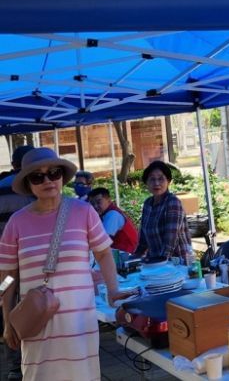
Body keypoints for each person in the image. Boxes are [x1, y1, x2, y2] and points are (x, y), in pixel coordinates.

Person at [0, 148, 131, 380]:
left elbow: (103, 254)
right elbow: (7, 276)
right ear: (28, 183)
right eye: (37, 176)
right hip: (37, 325)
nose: (47, 180)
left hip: (79, 325)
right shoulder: (16, 223)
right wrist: (7, 319)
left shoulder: (84, 212)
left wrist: (113, 290)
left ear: (62, 175)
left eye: (54, 173)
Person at [0, 145, 33, 381]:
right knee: (32, 309)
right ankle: (30, 360)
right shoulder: (32, 187)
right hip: (29, 266)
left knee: (6, 304)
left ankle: (14, 365)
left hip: (4, 270)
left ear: (13, 164)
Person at [133, 161, 191, 261]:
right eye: (152, 179)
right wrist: (133, 257)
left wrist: (160, 261)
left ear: (168, 181)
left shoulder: (173, 202)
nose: (156, 183)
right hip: (155, 262)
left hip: (176, 262)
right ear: (146, 182)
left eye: (161, 179)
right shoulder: (147, 204)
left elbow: (170, 240)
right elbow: (143, 240)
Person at [87, 187, 139, 253]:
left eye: (98, 202)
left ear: (109, 200)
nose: (95, 206)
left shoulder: (112, 215)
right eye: (92, 204)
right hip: (123, 253)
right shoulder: (105, 214)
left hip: (129, 254)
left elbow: (102, 241)